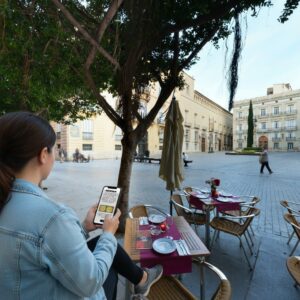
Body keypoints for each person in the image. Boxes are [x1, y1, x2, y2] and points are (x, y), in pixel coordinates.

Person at [0, 112, 162, 300]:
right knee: (109, 261)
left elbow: (45, 248)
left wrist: (84, 227)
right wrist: (109, 233)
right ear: (43, 155)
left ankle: (142, 279)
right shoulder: (53, 216)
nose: (55, 156)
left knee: (103, 248)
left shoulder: (6, 199)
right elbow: (91, 282)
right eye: (54, 150)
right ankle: (141, 280)